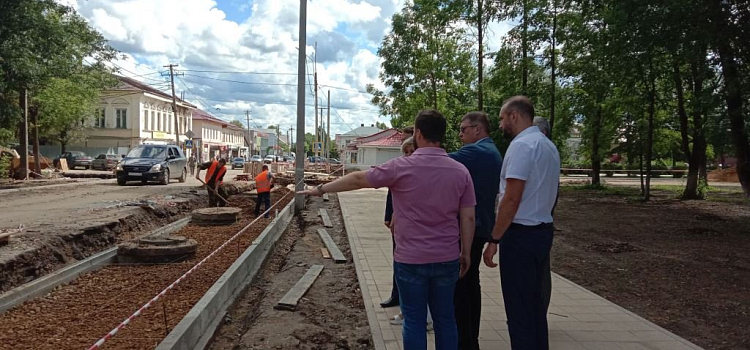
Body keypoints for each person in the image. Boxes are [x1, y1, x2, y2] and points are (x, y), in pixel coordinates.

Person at [300, 110, 476, 350]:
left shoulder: (401, 166)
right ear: (442, 135)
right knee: (446, 320)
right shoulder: (460, 171)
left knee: (414, 321)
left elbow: (359, 180)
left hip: (411, 259)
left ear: (418, 133)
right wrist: (465, 252)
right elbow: (468, 217)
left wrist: (321, 189)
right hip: (446, 257)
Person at [483, 96, 560, 350]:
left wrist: (495, 238)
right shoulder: (547, 145)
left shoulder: (522, 146)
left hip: (520, 236)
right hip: (542, 232)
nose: (501, 124)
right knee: (536, 307)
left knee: (519, 310)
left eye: (503, 118)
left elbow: (512, 198)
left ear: (514, 116)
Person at [449, 111, 503, 350]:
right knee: (470, 283)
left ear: (478, 129)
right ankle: (470, 339)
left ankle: (466, 341)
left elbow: (440, 161)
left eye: (463, 129)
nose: (460, 134)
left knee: (462, 285)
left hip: (473, 226)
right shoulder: (490, 151)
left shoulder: (477, 151)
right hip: (482, 225)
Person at [381, 126, 415, 309]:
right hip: (397, 222)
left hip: (412, 227)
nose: (408, 152)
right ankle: (397, 296)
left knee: (407, 264)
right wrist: (388, 215)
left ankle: (406, 303)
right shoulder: (400, 165)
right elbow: (391, 192)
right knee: (397, 260)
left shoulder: (420, 169)